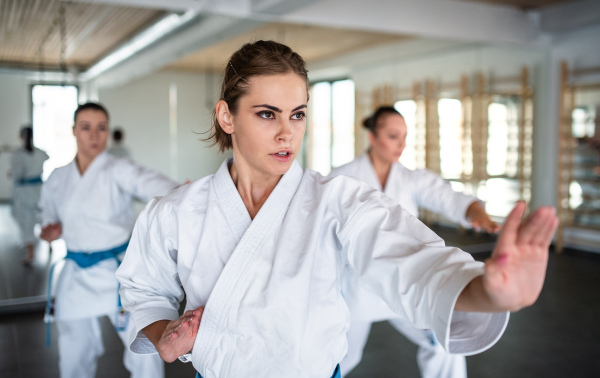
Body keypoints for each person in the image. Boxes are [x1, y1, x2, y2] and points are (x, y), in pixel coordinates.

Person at [115, 40, 558, 378]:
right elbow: (144, 291)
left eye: (299, 114)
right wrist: (163, 335)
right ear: (227, 117)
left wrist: (486, 293)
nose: (288, 133)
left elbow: (411, 257)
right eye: (267, 114)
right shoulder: (173, 212)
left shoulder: (338, 199)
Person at [329, 106, 499, 377]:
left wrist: (474, 211)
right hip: (357, 289)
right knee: (339, 357)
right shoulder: (342, 177)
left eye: (404, 136)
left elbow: (445, 196)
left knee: (444, 342)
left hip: (404, 285)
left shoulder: (410, 178)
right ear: (373, 138)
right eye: (393, 136)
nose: (402, 144)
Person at [39, 102, 178, 378]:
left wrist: (182, 191)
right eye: (86, 128)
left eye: (101, 128)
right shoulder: (58, 177)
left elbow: (150, 182)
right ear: (74, 131)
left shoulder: (118, 168)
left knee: (146, 347)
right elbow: (46, 218)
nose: (94, 135)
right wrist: (49, 231)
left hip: (120, 271)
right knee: (74, 351)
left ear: (108, 131)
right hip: (76, 273)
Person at [9, 126, 49, 265]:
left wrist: (11, 175)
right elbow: (46, 157)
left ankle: (31, 253)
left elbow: (16, 173)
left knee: (27, 221)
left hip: (25, 191)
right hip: (39, 190)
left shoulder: (18, 154)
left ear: (21, 136)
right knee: (43, 217)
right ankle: (50, 243)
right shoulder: (39, 153)